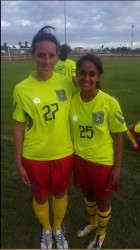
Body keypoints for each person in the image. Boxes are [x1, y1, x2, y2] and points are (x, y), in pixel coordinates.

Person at [13, 26, 76, 249]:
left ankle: (58, 228)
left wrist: (109, 98)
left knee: (60, 192)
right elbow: (19, 126)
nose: (47, 61)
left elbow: (89, 96)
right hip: (34, 155)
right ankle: (46, 230)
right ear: (33, 55)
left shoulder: (66, 83)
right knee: (40, 197)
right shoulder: (21, 89)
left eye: (51, 55)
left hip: (63, 152)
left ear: (57, 56)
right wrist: (19, 162)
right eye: (41, 55)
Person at [70, 54, 127, 249]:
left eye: (91, 74)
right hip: (80, 160)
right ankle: (93, 223)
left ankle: (101, 234)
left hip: (102, 162)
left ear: (99, 76)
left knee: (102, 201)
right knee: (88, 196)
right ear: (76, 75)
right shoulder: (71, 101)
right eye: (82, 73)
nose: (86, 78)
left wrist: (117, 167)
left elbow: (118, 137)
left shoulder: (109, 103)